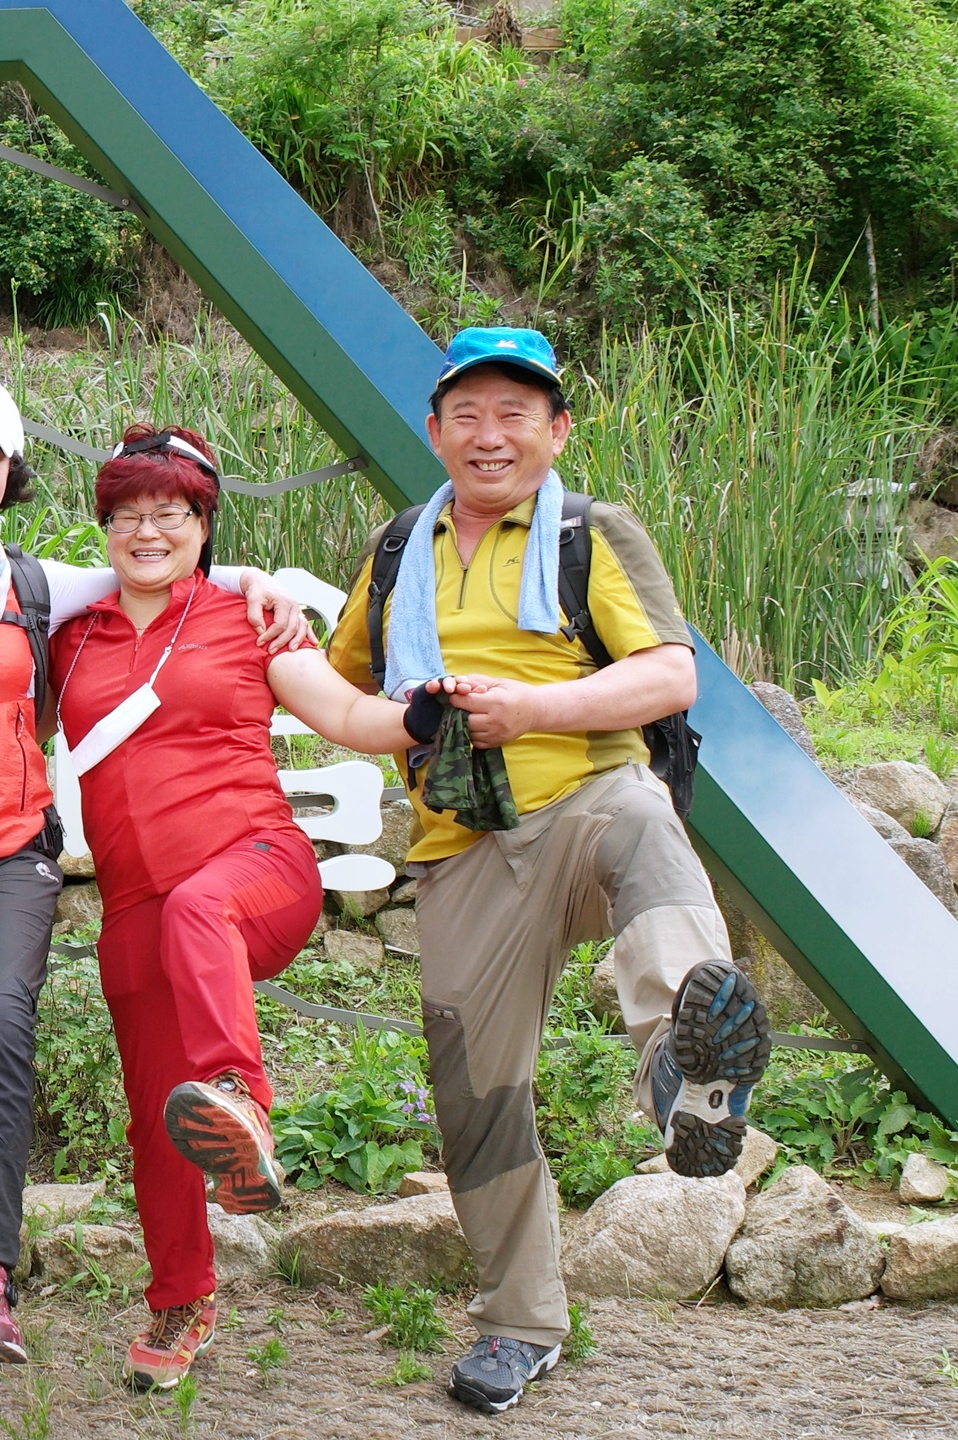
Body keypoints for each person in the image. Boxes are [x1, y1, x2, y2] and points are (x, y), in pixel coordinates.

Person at [0, 376, 318, 1393]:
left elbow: (161, 564)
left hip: (6, 861)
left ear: (8, 479)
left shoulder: (37, 587)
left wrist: (260, 578)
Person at [327, 327, 771, 1415]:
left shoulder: (591, 532)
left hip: (582, 801)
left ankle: (686, 1072)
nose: (491, 435)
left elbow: (669, 677)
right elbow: (342, 681)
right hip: (461, 843)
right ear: (435, 431)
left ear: (557, 431)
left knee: (644, 822)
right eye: (468, 414)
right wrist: (268, 623)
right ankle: (522, 1322)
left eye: (516, 414)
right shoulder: (400, 547)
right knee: (475, 1093)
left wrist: (535, 709)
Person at [51, 423, 449, 1393]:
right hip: (134, 909)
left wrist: (421, 713)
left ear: (203, 523)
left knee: (199, 908)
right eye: (127, 514)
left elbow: (343, 712)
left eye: (171, 512)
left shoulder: (245, 618)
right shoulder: (71, 635)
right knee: (156, 1121)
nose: (148, 531)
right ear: (105, 527)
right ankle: (181, 1301)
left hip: (255, 870)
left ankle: (242, 1099)